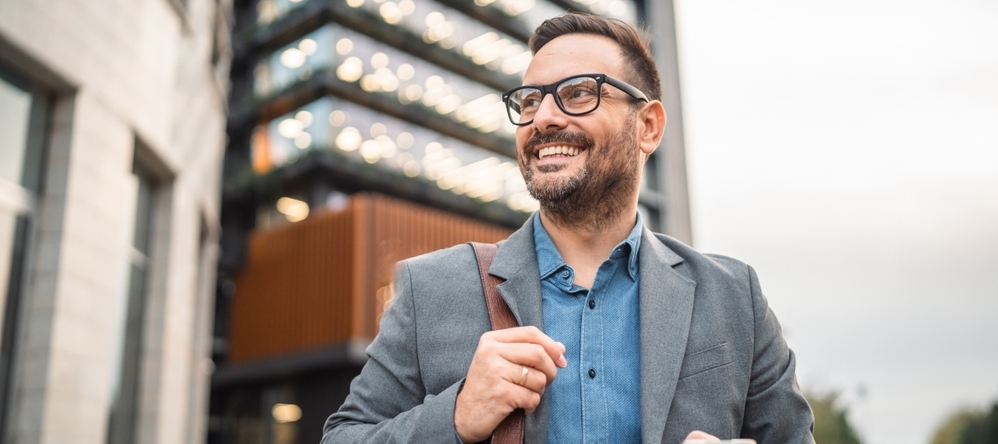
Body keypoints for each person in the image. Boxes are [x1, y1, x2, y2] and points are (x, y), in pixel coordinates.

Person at [323, 12, 814, 444]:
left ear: (649, 127)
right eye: (530, 100)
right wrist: (455, 415)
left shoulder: (734, 299)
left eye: (578, 93)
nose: (545, 118)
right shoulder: (431, 289)